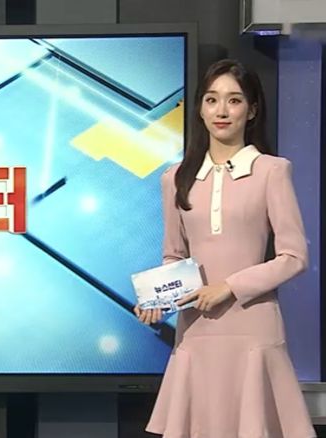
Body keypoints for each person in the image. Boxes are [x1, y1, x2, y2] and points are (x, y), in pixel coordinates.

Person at [134, 59, 316, 438]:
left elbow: (294, 256)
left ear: (252, 110)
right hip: (196, 332)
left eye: (234, 100)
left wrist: (229, 286)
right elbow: (173, 256)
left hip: (253, 329)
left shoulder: (271, 170)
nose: (222, 110)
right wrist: (155, 300)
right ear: (200, 108)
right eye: (212, 99)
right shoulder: (175, 178)